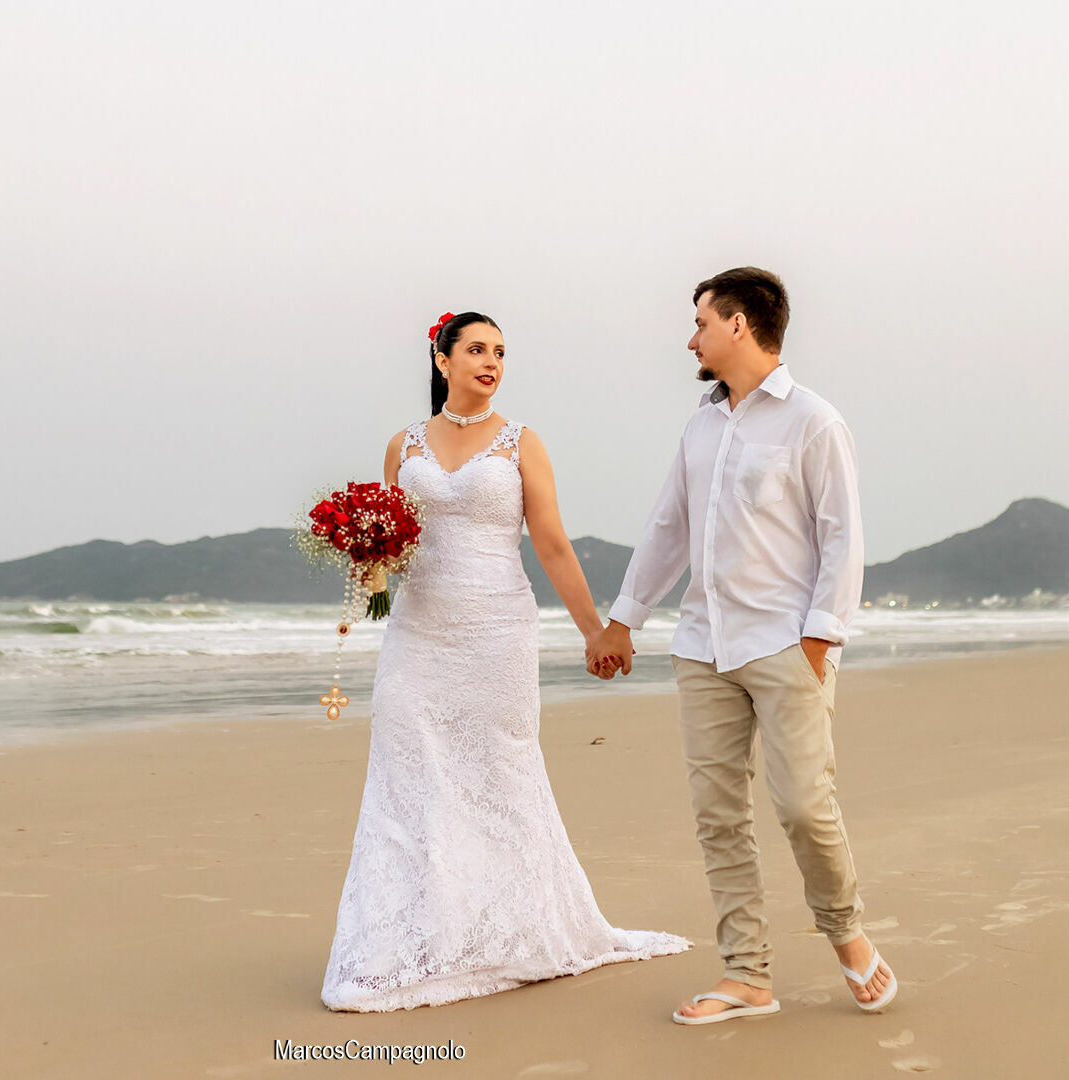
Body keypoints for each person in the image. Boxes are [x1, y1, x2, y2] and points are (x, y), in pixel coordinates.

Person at [320, 310, 690, 1011]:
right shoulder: (402, 445)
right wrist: (366, 559)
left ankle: (513, 930)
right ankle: (409, 941)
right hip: (418, 634)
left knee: (498, 775)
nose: (491, 362)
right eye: (476, 349)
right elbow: (395, 549)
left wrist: (596, 630)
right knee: (406, 780)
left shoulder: (522, 443)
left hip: (497, 632)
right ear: (442, 359)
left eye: (499, 352)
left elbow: (549, 542)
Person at [586, 268, 896, 1024]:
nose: (689, 336)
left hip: (785, 644)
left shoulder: (813, 421)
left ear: (738, 325)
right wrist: (624, 618)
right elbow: (668, 526)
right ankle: (746, 975)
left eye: (699, 321)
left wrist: (820, 639)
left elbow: (840, 535)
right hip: (702, 646)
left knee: (800, 806)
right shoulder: (699, 425)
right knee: (717, 816)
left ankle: (847, 934)